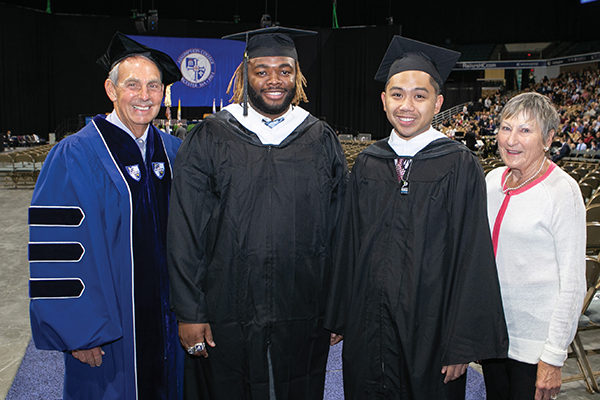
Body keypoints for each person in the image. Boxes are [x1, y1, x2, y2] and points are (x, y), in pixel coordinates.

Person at [167, 26, 347, 400]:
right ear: (244, 73)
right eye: (262, 70)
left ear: (297, 75)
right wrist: (190, 312)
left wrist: (336, 307)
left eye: (284, 70)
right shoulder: (211, 136)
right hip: (226, 307)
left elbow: (339, 230)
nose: (274, 80)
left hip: (303, 307)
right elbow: (185, 230)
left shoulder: (319, 138)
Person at [324, 35, 508, 399]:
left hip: (433, 332)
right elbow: (347, 244)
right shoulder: (368, 163)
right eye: (397, 94)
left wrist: (461, 343)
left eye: (419, 96)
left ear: (438, 102)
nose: (407, 105)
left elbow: (473, 257)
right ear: (383, 100)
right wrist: (338, 315)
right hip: (368, 326)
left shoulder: (459, 165)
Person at [28, 32, 184, 399]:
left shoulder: (175, 151)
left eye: (153, 86)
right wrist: (79, 333)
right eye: (132, 85)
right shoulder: (74, 154)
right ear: (111, 90)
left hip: (169, 325)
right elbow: (58, 251)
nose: (144, 96)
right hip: (108, 332)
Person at [483, 92, 586, 400]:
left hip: (533, 348)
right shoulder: (491, 181)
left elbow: (572, 283)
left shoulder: (562, 191)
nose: (511, 139)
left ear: (549, 138)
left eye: (525, 130)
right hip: (493, 338)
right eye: (506, 127)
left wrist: (554, 356)